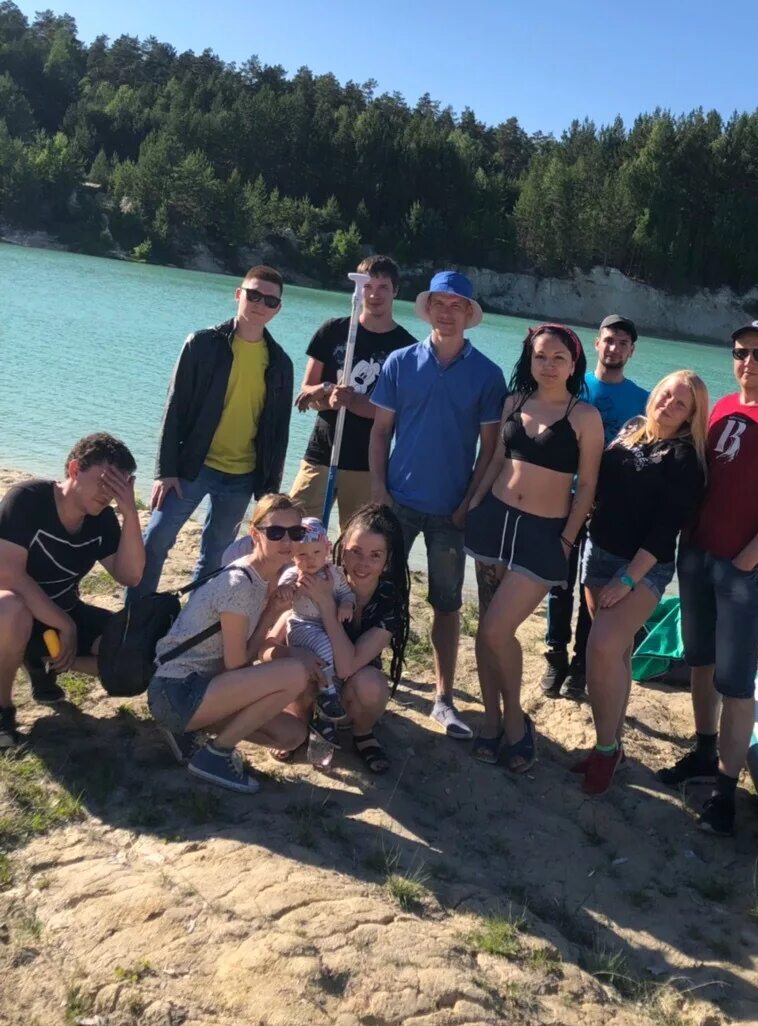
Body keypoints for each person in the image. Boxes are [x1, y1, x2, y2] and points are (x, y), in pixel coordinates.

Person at [658, 320, 758, 835]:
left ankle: (726, 789)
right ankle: (704, 752)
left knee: (736, 681)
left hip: (743, 571)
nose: (748, 361)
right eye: (740, 352)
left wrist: (748, 559)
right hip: (697, 555)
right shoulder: (723, 408)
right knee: (699, 662)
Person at [368, 271, 507, 738]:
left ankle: (443, 698)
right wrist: (379, 489)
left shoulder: (487, 375)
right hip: (398, 502)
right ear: (428, 309)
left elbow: (490, 450)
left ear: (469, 313)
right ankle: (367, 676)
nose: (447, 313)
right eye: (439, 304)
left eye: (456, 306)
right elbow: (380, 432)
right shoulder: (400, 362)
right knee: (379, 591)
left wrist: (470, 502)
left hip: (452, 511)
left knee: (447, 604)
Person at [464, 325, 604, 773]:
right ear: (530, 359)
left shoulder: (585, 417)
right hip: (494, 522)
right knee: (486, 633)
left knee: (495, 630)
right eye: (540, 356)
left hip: (543, 535)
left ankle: (515, 723)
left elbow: (588, 488)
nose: (548, 365)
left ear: (574, 364)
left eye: (558, 358)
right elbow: (496, 461)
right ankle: (491, 720)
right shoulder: (513, 402)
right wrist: (474, 504)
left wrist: (566, 540)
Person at [575, 371, 709, 795]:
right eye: (666, 394)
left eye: (681, 403)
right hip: (598, 553)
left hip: (642, 568)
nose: (669, 404)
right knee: (616, 654)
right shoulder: (632, 428)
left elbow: (665, 530)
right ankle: (613, 747)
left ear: (691, 415)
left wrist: (628, 579)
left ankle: (604, 749)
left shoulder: (685, 459)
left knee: (600, 649)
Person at [134, 266, 293, 597]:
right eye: (253, 295)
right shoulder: (202, 344)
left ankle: (193, 619)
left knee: (215, 558)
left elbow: (278, 432)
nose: (260, 304)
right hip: (192, 467)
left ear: (277, 309)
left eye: (270, 300)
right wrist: (165, 470)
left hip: (242, 477)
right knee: (156, 540)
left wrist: (268, 492)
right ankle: (134, 617)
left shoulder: (280, 363)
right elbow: (174, 408)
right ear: (238, 294)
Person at [146, 494, 322, 792]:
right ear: (255, 534)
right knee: (295, 672)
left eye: (296, 533)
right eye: (275, 532)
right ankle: (216, 754)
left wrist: (273, 613)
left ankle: (187, 730)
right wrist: (272, 620)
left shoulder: (265, 579)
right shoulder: (240, 583)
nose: (287, 541)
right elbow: (237, 665)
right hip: (176, 690)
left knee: (291, 735)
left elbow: (242, 661)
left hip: (204, 686)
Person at [0, 434, 145, 746]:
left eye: (118, 487)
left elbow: (130, 576)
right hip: (14, 611)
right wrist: (64, 625)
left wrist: (130, 512)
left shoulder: (102, 519)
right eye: (105, 481)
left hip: (62, 611)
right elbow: (9, 575)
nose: (109, 494)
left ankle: (43, 662)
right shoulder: (27, 499)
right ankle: (2, 710)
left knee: (131, 656)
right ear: (75, 469)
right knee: (10, 609)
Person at [542, 314, 649, 701]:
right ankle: (555, 656)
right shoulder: (574, 387)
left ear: (631, 351)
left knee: (596, 586)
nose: (614, 348)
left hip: (611, 510)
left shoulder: (643, 400)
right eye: (609, 340)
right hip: (564, 500)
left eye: (623, 343)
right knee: (559, 581)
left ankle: (582, 666)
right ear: (596, 343)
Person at [290, 255, 415, 530]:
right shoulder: (333, 331)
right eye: (367, 286)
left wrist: (355, 402)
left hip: (366, 464)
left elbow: (399, 412)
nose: (374, 294)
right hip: (321, 453)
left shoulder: (407, 349)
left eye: (383, 287)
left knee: (357, 539)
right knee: (297, 530)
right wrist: (328, 393)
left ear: (395, 291)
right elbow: (307, 392)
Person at [322, 503, 411, 774]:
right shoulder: (324, 580)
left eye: (375, 555)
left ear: (387, 561)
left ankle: (362, 732)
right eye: (356, 551)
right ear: (342, 549)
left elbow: (348, 666)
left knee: (372, 684)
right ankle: (306, 720)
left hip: (355, 681)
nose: (363, 563)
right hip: (318, 678)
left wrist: (326, 608)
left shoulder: (389, 599)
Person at [279, 516, 355, 732]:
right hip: (301, 624)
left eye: (316, 552)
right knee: (325, 648)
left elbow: (347, 594)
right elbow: (282, 592)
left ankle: (325, 708)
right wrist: (289, 590)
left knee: (333, 653)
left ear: (327, 549)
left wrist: (346, 605)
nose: (310, 560)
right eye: (302, 555)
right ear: (293, 556)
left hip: (325, 625)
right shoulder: (294, 574)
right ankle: (328, 694)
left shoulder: (334, 573)